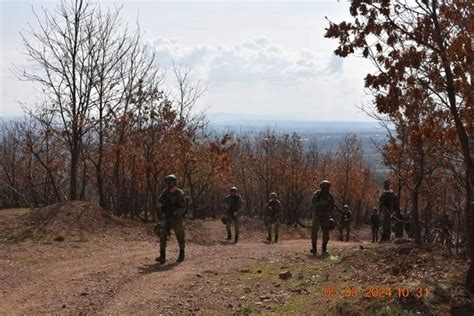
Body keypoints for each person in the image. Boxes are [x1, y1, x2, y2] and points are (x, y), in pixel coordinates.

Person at [156, 175, 186, 264]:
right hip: (167, 217)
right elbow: (160, 200)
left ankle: (181, 254)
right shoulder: (165, 192)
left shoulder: (179, 193)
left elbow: (183, 207)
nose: (167, 184)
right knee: (162, 235)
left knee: (180, 236)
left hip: (177, 218)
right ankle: (162, 256)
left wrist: (175, 212)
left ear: (173, 183)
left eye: (168, 182)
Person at [310, 180, 335, 256]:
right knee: (314, 231)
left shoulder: (329, 195)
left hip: (325, 215)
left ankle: (324, 248)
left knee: (326, 232)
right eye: (326, 187)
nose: (327, 189)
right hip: (317, 215)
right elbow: (312, 204)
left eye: (328, 187)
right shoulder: (317, 194)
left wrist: (329, 207)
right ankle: (314, 248)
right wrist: (322, 203)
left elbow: (333, 205)